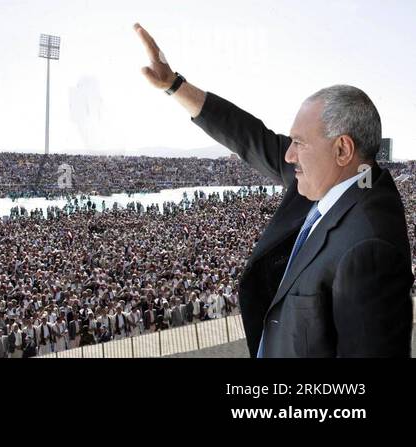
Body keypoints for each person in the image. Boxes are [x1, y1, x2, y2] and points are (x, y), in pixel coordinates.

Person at [136, 23, 413, 357]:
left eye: (298, 142)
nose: (288, 155)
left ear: (342, 150)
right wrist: (174, 85)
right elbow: (250, 138)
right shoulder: (342, 178)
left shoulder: (369, 247)